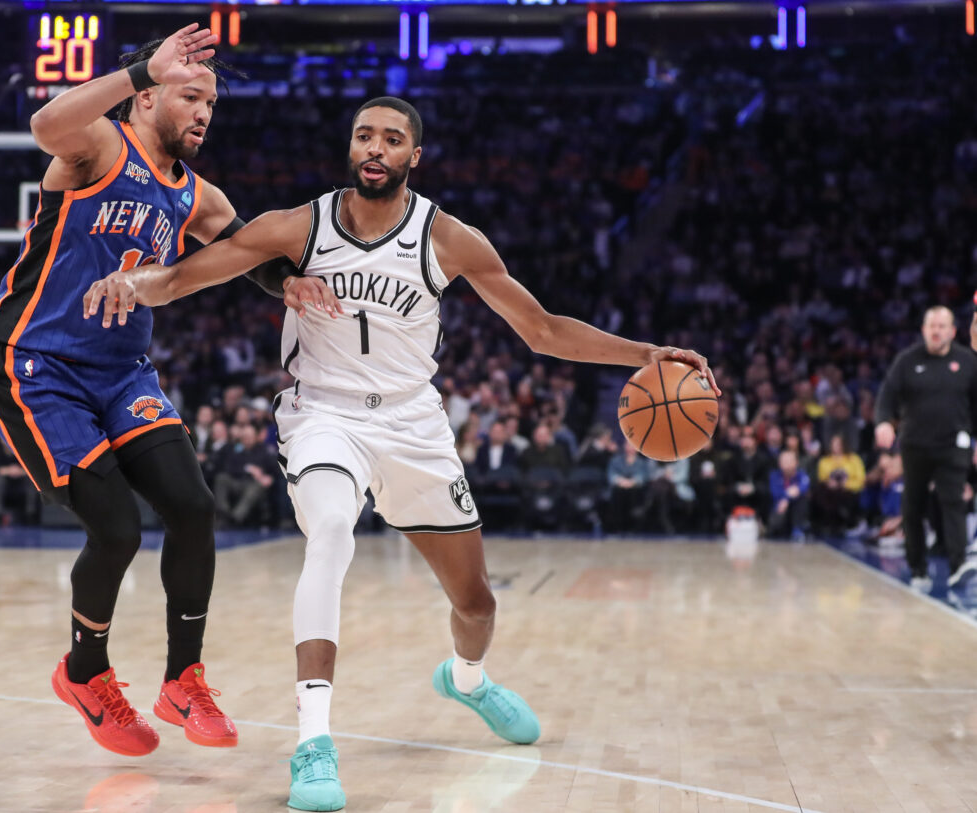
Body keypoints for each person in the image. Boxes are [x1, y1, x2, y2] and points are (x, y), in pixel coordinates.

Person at [83, 96, 719, 810]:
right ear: (350, 149)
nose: (376, 148)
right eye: (364, 136)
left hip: (415, 425)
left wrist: (644, 353)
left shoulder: (448, 238)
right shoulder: (298, 225)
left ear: (415, 156)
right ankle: (313, 744)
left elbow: (539, 329)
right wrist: (127, 281)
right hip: (324, 415)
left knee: (475, 602)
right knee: (328, 535)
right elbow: (179, 277)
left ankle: (468, 679)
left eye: (392, 138)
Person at [0, 25, 298, 757]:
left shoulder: (194, 193)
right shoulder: (96, 144)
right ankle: (84, 671)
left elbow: (245, 251)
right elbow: (42, 124)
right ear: (148, 96)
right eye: (192, 96)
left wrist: (292, 284)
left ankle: (182, 679)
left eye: (211, 103)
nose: (204, 114)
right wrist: (132, 68)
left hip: (122, 371)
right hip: (37, 365)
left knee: (192, 506)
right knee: (117, 527)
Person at [876, 306, 977, 598]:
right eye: (932, 326)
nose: (936, 331)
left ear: (952, 331)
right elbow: (887, 396)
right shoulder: (907, 362)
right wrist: (883, 422)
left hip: (953, 445)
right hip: (915, 446)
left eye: (942, 326)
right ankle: (917, 567)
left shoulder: (968, 362)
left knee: (953, 502)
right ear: (923, 330)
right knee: (913, 506)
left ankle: (958, 566)